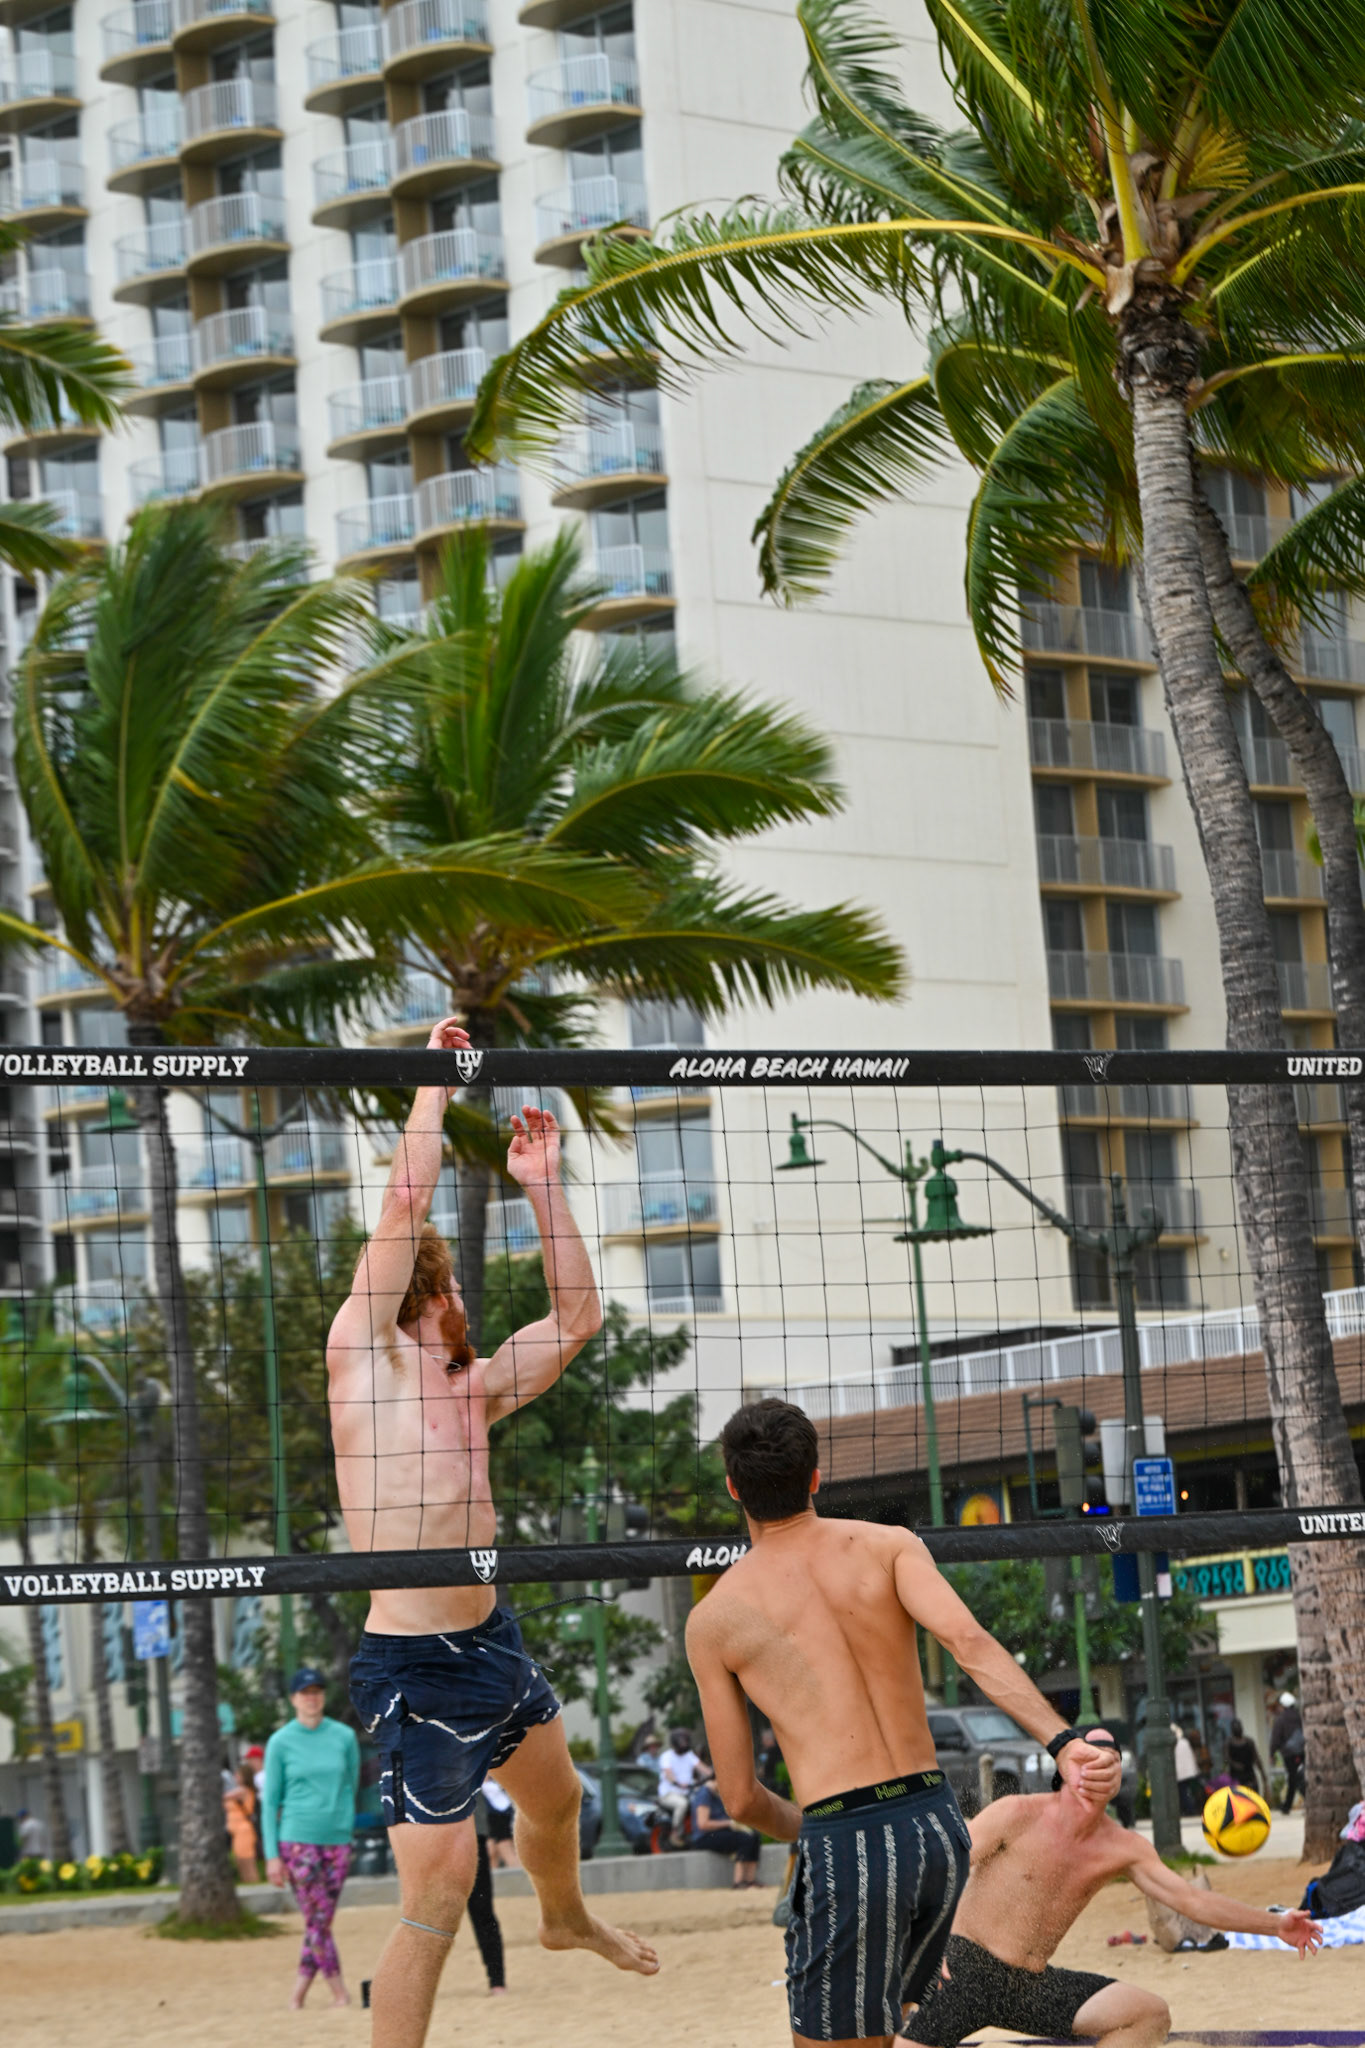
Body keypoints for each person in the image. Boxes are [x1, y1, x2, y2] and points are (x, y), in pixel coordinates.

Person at [328, 1019, 658, 2048]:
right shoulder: (363, 1353)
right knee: (441, 1886)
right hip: (413, 1660)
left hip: (492, 1639)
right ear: (429, 1291)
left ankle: (562, 1917)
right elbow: (403, 1201)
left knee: (557, 1798)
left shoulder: (471, 1388)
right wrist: (436, 1084)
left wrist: (543, 1182)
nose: (471, 1295)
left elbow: (575, 1320)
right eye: (457, 1284)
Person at [685, 1399, 1122, 2048]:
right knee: (885, 2033)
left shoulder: (714, 1618)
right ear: (813, 1476)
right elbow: (969, 1643)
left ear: (731, 1488)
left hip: (848, 1835)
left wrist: (818, 1836)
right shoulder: (888, 1546)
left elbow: (740, 1797)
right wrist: (1061, 1743)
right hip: (938, 1832)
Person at [903, 1731, 1322, 2048]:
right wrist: (925, 1942)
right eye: (1092, 1752)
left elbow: (1192, 1900)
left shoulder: (1123, 1847)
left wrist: (1277, 1924)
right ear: (1067, 1767)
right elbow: (940, 1873)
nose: (1104, 1759)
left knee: (1146, 2015)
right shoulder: (1016, 1813)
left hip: (1029, 1985)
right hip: (961, 1969)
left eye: (1113, 1756)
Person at [263, 1666, 361, 2010]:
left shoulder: (344, 1737)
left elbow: (351, 1783)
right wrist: (272, 1855)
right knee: (317, 1919)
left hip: (337, 1840)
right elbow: (270, 1802)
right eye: (305, 1692)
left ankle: (297, 1996)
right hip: (297, 1839)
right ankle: (339, 1992)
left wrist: (346, 1829)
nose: (312, 1697)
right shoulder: (280, 1743)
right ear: (293, 1699)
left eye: (317, 1691)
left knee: (320, 1921)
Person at [467, 1793, 508, 1995]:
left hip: (472, 1833)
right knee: (430, 1916)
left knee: (482, 1909)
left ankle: (497, 1980)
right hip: (433, 1832)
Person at [691, 1773, 761, 1887]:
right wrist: (729, 1823)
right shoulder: (704, 1794)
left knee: (754, 1836)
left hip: (720, 1832)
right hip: (704, 1837)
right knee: (744, 1839)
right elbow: (702, 1824)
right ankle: (738, 1882)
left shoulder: (718, 1794)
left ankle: (750, 1880)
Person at [657, 1726, 704, 1846]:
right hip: (668, 1794)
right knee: (682, 1804)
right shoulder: (666, 1756)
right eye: (681, 1741)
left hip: (686, 1791)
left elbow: (702, 1768)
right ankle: (676, 1832)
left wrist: (715, 1775)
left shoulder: (689, 1755)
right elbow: (668, 1773)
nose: (684, 1744)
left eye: (685, 1741)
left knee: (702, 1799)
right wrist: (677, 1783)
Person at [225, 1762, 261, 1884]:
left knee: (247, 1860)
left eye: (238, 1775)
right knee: (240, 1860)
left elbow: (224, 1796)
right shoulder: (242, 1790)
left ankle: (253, 1882)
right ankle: (248, 1882)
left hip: (243, 1830)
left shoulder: (243, 1791)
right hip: (237, 1830)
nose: (236, 1777)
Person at [1270, 1691, 1305, 1814]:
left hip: (1289, 1754)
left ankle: (1287, 1806)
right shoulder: (1299, 1716)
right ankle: (1287, 1805)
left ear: (1283, 1705)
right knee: (1300, 1776)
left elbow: (1275, 1739)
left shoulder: (1281, 1719)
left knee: (1293, 1778)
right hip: (1302, 1752)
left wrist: (1272, 1753)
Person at [481, 1775, 518, 1869]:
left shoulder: (492, 1786)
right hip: (495, 1816)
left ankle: (519, 1876)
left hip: (498, 1816)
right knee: (491, 1850)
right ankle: (493, 1880)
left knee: (506, 1849)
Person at [1225, 1717, 1267, 1798]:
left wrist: (1263, 1775)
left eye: (1239, 1726)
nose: (1238, 1729)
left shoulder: (1249, 1742)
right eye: (1235, 1727)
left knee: (1253, 1798)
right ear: (1232, 1730)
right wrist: (1234, 1764)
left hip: (1249, 1776)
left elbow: (1256, 1759)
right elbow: (1226, 1758)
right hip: (1235, 1777)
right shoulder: (1229, 1743)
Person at [1172, 1724, 1204, 1817]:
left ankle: (1190, 1810)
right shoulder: (1184, 1742)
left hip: (1181, 1774)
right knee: (1187, 1793)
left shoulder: (1175, 1745)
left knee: (1183, 1794)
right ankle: (1191, 1809)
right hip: (1190, 1772)